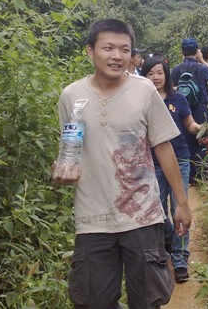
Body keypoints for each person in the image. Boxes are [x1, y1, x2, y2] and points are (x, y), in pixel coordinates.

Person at [51, 19, 191, 309]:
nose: (117, 56)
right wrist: (63, 172)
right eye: (108, 48)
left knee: (148, 301)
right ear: (90, 50)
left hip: (143, 216)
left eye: (124, 49)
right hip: (92, 219)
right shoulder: (71, 96)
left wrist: (181, 202)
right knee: (93, 302)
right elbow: (70, 149)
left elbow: (163, 146)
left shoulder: (144, 90)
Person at [141, 55, 201, 283]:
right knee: (157, 209)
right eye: (150, 73)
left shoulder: (178, 98)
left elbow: (189, 124)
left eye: (159, 73)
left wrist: (201, 128)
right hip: (152, 162)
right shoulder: (141, 100)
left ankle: (180, 258)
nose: (155, 77)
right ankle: (167, 238)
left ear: (166, 75)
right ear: (144, 76)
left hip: (180, 159)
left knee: (179, 206)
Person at [171, 38, 208, 184]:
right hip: (200, 109)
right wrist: (202, 60)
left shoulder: (176, 69)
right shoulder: (202, 68)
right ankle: (202, 176)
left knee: (186, 141)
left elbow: (171, 87)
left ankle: (188, 176)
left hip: (182, 110)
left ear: (182, 52)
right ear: (197, 51)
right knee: (205, 140)